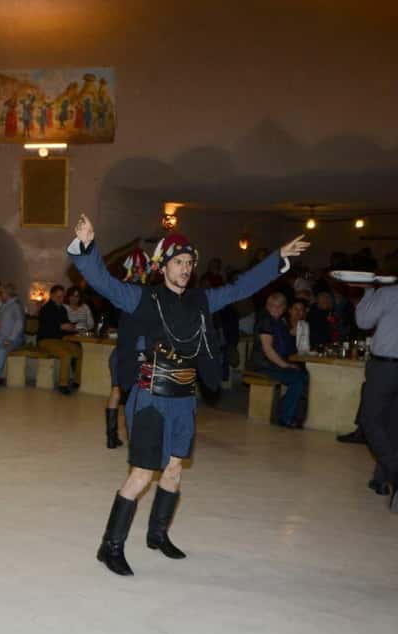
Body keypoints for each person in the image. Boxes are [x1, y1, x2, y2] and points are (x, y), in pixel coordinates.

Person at [68, 214, 309, 576]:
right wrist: (87, 247)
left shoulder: (201, 300)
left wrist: (278, 259)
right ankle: (110, 546)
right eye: (178, 262)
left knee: (175, 468)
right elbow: (103, 282)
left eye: (189, 263)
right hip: (150, 396)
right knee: (142, 474)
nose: (185, 268)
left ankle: (157, 534)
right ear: (164, 265)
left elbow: (241, 288)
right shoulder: (142, 297)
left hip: (183, 397)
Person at [355, 276, 398, 512]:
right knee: (392, 424)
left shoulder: (389, 293)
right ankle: (381, 479)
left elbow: (363, 321)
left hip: (386, 367)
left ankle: (394, 470)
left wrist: (369, 291)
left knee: (369, 420)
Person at [105, 248, 151, 450]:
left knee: (119, 392)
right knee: (133, 396)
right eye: (139, 268)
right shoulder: (144, 295)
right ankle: (132, 439)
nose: (140, 271)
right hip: (132, 355)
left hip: (121, 353)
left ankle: (112, 437)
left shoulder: (121, 292)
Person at [249, 292, 309, 428]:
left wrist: (293, 334)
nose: (275, 309)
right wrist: (286, 365)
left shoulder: (279, 322)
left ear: (284, 308)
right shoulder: (265, 321)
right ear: (267, 306)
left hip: (273, 364)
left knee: (305, 376)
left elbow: (285, 345)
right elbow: (268, 349)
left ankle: (286, 408)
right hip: (262, 366)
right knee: (297, 380)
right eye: (272, 305)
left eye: (279, 306)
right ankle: (285, 417)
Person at [37, 285, 82, 395]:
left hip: (60, 340)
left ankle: (77, 381)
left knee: (79, 351)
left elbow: (66, 324)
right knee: (66, 354)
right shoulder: (45, 309)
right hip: (46, 340)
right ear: (52, 295)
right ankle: (63, 384)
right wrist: (61, 327)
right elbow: (46, 328)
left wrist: (72, 328)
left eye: (62, 297)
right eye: (58, 296)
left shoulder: (62, 309)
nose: (61, 299)